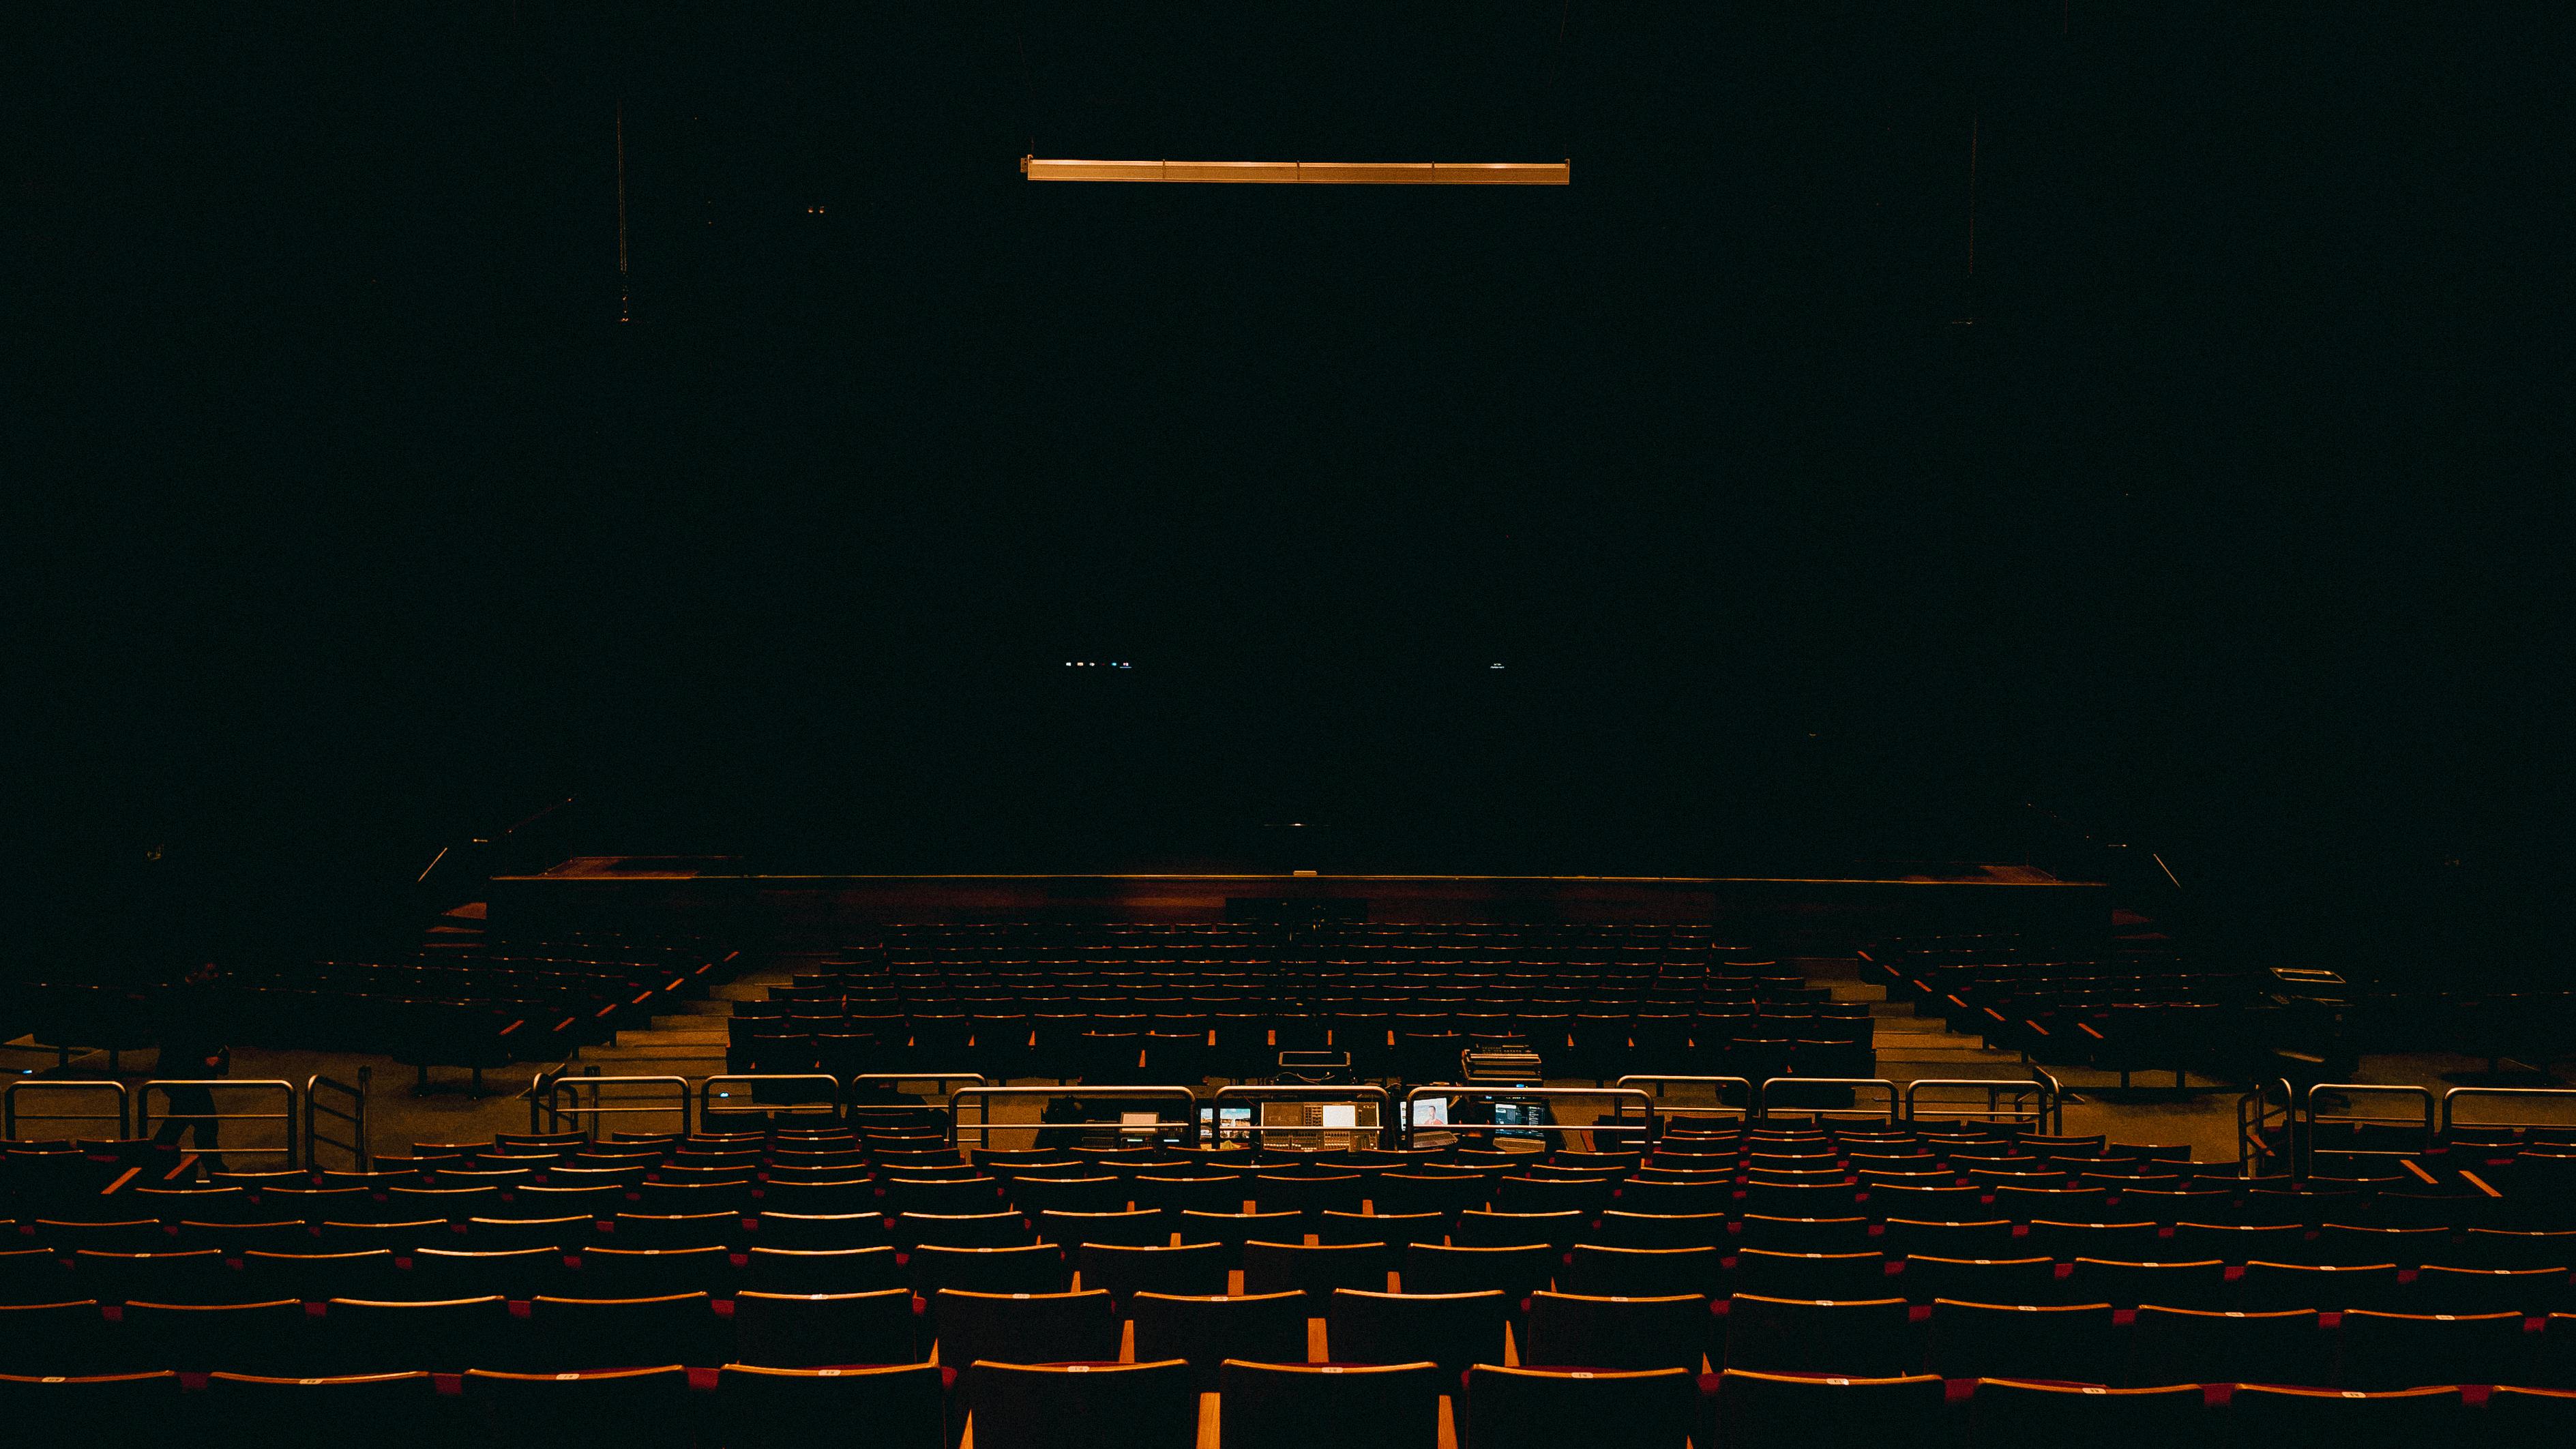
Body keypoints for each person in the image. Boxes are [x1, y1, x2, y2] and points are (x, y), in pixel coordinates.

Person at [151, 963, 231, 1171]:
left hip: (185, 1073)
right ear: (195, 972)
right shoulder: (178, 998)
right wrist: (202, 1060)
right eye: (211, 972)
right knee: (206, 1125)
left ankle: (152, 1164)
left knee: (177, 1123)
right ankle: (218, 1172)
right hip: (180, 1073)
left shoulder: (196, 994)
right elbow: (175, 1040)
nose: (216, 977)